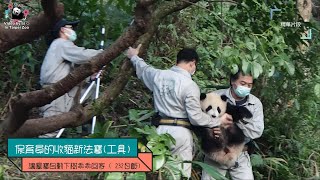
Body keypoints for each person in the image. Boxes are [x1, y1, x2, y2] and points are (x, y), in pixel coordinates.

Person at [126, 44, 233, 178]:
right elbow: (195, 117)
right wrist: (217, 121)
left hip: (158, 131)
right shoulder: (190, 86)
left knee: (157, 173)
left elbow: (143, 69)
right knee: (179, 174)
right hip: (180, 133)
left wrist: (134, 57)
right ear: (192, 63)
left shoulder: (158, 75)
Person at [39, 18, 103, 137]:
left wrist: (90, 78)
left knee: (92, 88)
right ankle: (39, 155)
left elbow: (72, 75)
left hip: (61, 91)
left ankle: (87, 128)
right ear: (63, 30)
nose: (73, 31)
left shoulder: (60, 48)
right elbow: (83, 55)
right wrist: (102, 53)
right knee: (50, 131)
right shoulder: (61, 43)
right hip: (56, 92)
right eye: (71, 28)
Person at [201, 70, 264, 180]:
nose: (246, 87)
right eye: (243, 84)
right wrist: (217, 123)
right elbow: (200, 119)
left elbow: (257, 130)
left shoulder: (255, 103)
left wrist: (233, 123)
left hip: (240, 152)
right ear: (232, 81)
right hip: (215, 151)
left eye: (249, 85)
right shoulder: (215, 96)